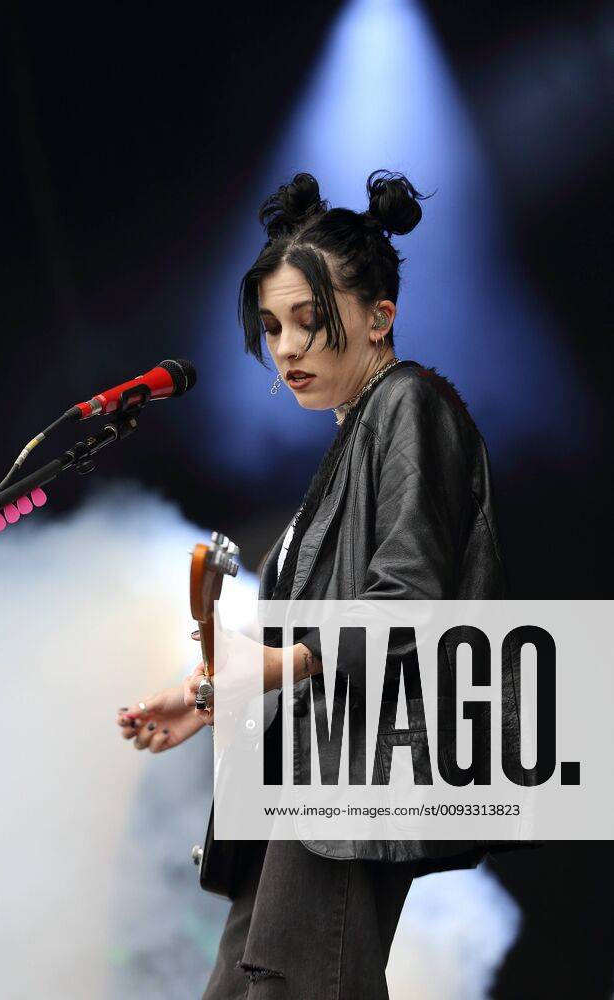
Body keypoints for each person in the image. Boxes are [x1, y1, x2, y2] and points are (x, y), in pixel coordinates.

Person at [116, 170, 526, 999]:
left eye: (309, 320)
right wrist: (206, 695)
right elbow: (311, 637)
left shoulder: (410, 404)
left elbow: (409, 607)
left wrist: (264, 669)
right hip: (309, 778)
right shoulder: (355, 440)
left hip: (354, 779)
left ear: (380, 315)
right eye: (272, 327)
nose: (287, 346)